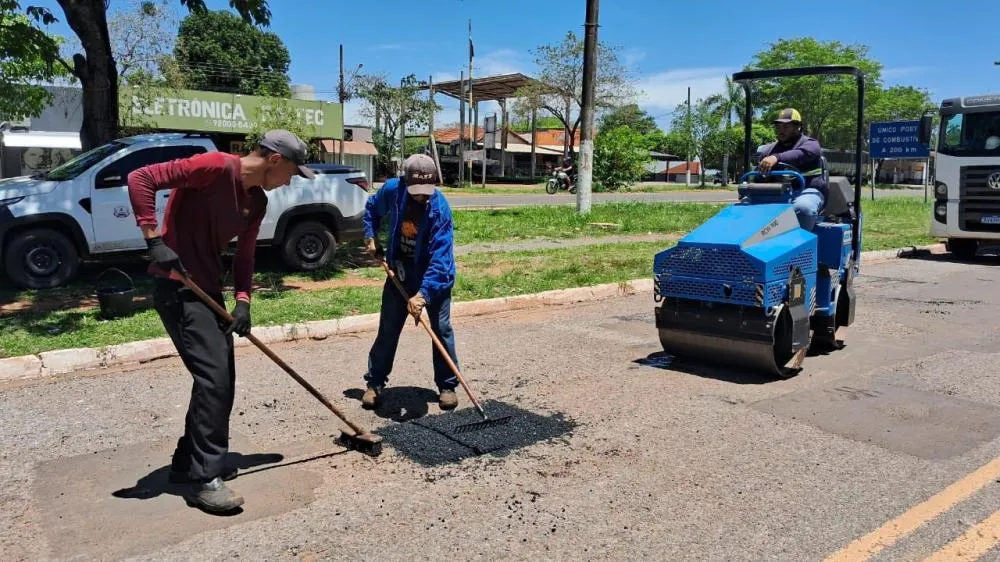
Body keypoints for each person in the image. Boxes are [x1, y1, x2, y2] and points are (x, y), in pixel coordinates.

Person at [126, 130, 315, 513]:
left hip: (209, 291)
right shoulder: (214, 167)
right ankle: (202, 479)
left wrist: (243, 302)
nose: (291, 181)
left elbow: (245, 257)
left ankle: (188, 463)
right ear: (275, 160)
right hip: (177, 287)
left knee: (220, 382)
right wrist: (153, 239)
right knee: (214, 381)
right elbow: (140, 178)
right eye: (294, 172)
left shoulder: (256, 201)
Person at [361, 153, 459, 411]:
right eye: (417, 191)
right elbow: (372, 208)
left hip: (434, 278)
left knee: (441, 329)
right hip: (400, 273)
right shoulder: (393, 190)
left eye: (427, 191)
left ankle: (447, 385)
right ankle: (375, 382)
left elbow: (441, 260)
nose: (422, 196)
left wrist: (423, 294)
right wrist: (370, 236)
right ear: (405, 182)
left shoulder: (440, 210)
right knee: (388, 329)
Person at [756, 108, 827, 230]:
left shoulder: (811, 144)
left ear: (798, 127)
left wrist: (776, 158)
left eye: (786, 127)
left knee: (803, 208)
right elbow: (758, 174)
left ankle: (799, 244)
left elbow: (799, 154)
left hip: (807, 191)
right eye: (778, 127)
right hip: (777, 192)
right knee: (744, 205)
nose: (781, 130)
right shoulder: (769, 150)